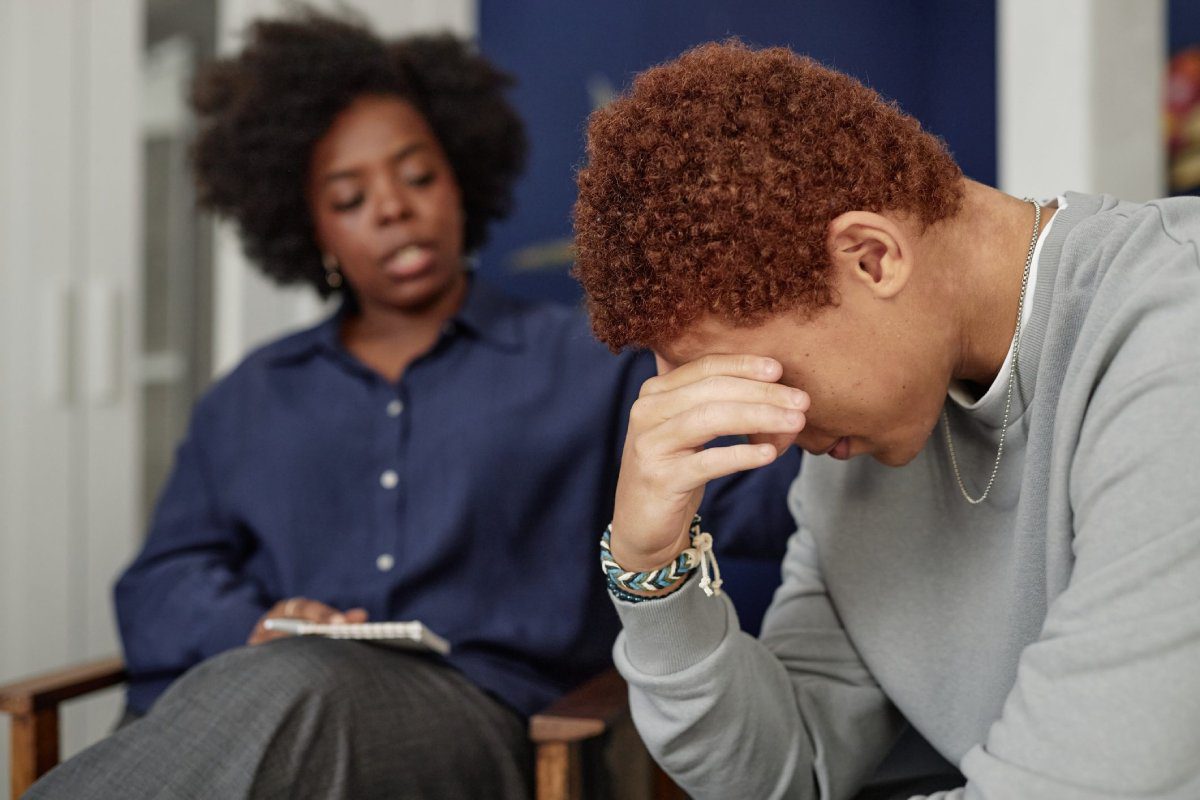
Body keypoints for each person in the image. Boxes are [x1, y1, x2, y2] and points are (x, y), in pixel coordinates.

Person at [26, 18, 798, 800]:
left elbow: (771, 494)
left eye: (418, 177)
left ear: (461, 178)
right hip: (263, 705)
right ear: (311, 228)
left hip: (482, 722)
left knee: (302, 690)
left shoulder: (591, 368)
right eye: (350, 197)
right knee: (271, 686)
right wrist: (253, 625)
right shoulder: (251, 396)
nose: (393, 208)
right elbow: (160, 583)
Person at [573, 41, 1200, 800]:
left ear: (872, 258)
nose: (766, 436)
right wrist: (650, 571)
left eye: (763, 376)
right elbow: (788, 772)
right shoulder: (859, 456)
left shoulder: (1175, 339)